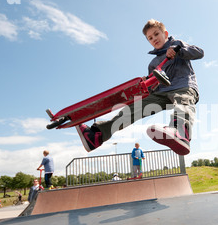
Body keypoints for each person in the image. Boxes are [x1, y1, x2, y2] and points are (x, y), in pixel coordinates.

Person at [76, 19, 204, 156]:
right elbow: (153, 84)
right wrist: (147, 82)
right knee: (133, 109)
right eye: (150, 38)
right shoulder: (153, 63)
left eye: (156, 34)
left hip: (183, 86)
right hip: (161, 92)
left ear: (165, 33)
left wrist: (178, 50)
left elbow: (199, 52)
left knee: (182, 101)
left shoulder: (177, 44)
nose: (154, 39)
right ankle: (97, 135)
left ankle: (180, 132)